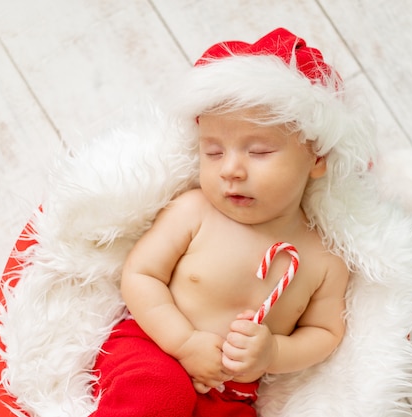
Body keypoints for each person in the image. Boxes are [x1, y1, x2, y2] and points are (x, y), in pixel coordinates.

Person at [91, 28, 371, 417]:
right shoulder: (194, 211)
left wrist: (273, 352)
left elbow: (324, 334)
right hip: (153, 350)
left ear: (317, 158)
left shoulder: (323, 259)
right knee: (160, 394)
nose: (231, 170)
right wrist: (185, 342)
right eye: (214, 152)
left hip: (230, 393)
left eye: (259, 151)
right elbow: (141, 276)